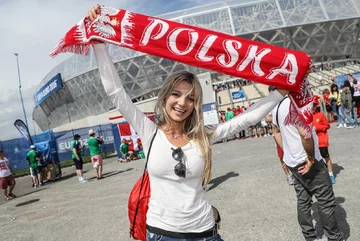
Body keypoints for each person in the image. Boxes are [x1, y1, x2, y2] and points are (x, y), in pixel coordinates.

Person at [87, 5, 290, 239]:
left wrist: (281, 91)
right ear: (164, 97)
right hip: (162, 233)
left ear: (195, 105)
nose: (182, 102)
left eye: (191, 98)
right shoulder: (149, 131)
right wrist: (99, 44)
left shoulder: (203, 135)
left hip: (205, 232)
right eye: (176, 94)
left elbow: (245, 120)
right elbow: (116, 93)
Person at [271, 96, 344, 241]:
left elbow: (276, 131)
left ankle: (310, 237)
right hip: (307, 158)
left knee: (303, 201)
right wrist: (310, 158)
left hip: (292, 160)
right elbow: (305, 133)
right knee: (325, 200)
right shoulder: (299, 102)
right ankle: (335, 238)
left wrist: (287, 151)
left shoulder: (277, 106)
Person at [266, 86, 295, 185]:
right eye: (272, 91)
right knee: (282, 155)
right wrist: (278, 116)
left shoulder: (286, 99)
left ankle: (295, 173)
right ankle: (288, 175)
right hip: (279, 133)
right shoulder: (270, 104)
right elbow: (267, 118)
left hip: (288, 130)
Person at [312, 96, 336, 184]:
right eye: (311, 105)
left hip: (322, 141)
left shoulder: (320, 115)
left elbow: (327, 126)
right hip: (312, 142)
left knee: (326, 157)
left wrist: (317, 128)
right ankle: (319, 176)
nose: (312, 107)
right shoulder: (307, 116)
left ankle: (331, 174)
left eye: (314, 105)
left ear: (316, 106)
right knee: (314, 159)